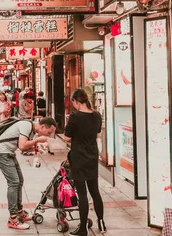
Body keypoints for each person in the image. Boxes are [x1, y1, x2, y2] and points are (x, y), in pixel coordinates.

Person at [0, 116, 57, 230]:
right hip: (2, 153)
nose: (48, 136)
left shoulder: (32, 129)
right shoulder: (26, 125)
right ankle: (13, 218)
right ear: (42, 126)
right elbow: (22, 145)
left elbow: (23, 148)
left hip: (9, 153)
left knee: (19, 181)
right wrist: (37, 140)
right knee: (14, 182)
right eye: (48, 132)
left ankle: (19, 211)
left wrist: (36, 148)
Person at [64, 89, 106, 235]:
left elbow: (67, 138)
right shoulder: (96, 115)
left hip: (79, 157)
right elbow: (98, 135)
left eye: (73, 102)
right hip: (92, 156)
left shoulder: (75, 116)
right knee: (95, 191)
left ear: (76, 101)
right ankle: (101, 223)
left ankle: (83, 228)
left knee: (82, 194)